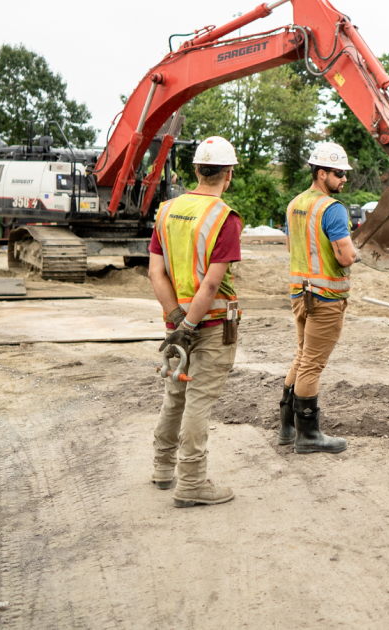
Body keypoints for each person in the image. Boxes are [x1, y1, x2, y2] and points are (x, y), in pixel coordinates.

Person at [147, 136, 245, 508]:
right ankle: (191, 482)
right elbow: (212, 282)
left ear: (196, 170)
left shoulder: (166, 211)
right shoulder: (225, 217)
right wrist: (189, 325)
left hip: (174, 323)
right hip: (212, 323)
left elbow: (156, 272)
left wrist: (176, 320)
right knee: (198, 402)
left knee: (174, 394)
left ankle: (162, 468)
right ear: (229, 174)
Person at [278, 142, 356, 454]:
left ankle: (287, 426)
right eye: (339, 173)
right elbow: (345, 257)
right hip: (325, 299)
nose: (344, 179)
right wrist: (357, 254)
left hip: (301, 294)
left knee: (301, 356)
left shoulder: (295, 204)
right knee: (311, 363)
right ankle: (308, 435)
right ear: (321, 173)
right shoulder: (332, 209)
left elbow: (290, 247)